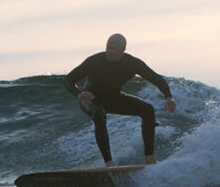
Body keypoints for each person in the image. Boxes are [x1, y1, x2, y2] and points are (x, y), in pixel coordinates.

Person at [64, 34, 176, 166]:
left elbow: (155, 78)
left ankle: (149, 159)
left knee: (147, 110)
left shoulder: (132, 63)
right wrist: (79, 94)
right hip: (91, 100)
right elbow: (69, 80)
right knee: (99, 114)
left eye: (113, 48)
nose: (108, 51)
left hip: (113, 98)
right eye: (107, 47)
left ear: (123, 49)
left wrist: (168, 96)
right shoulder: (94, 61)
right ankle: (109, 164)